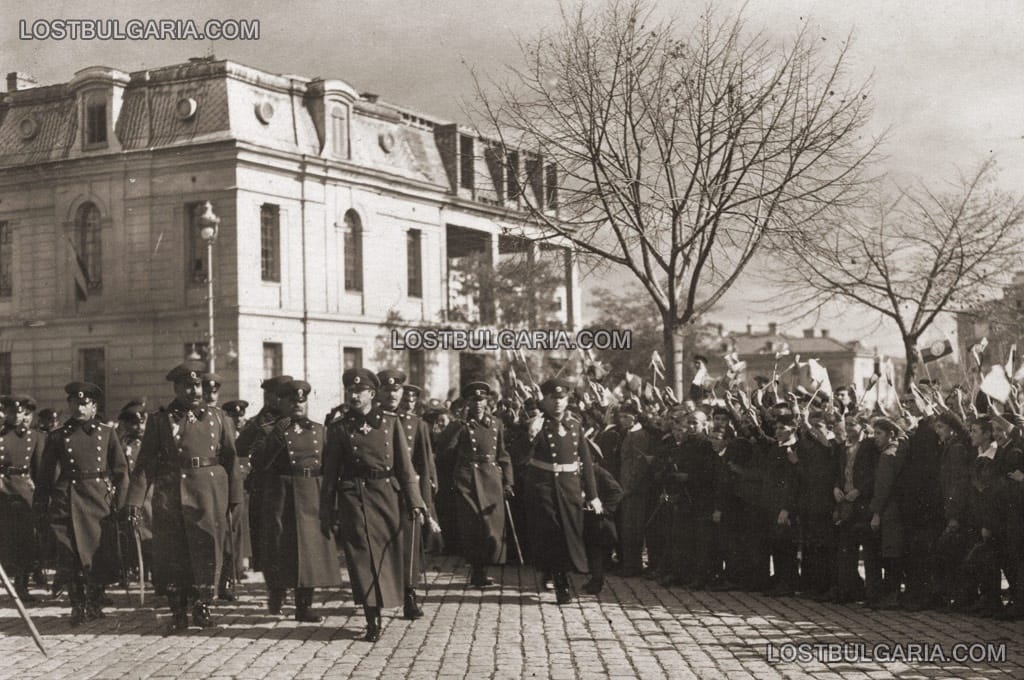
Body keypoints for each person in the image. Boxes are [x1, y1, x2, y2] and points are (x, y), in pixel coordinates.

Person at [126, 361, 242, 633]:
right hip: (172, 492)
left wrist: (234, 497)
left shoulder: (217, 418)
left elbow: (230, 459)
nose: (194, 391)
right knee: (173, 552)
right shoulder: (160, 419)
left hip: (209, 492)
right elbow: (145, 464)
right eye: (188, 386)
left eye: (198, 385)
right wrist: (134, 501)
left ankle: (202, 606)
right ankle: (178, 610)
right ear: (177, 388)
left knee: (206, 548)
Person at [320, 368, 426, 642]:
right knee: (361, 557)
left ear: (371, 393)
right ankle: (372, 616)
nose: (354, 396)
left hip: (386, 496)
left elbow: (405, 467)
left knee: (386, 557)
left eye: (360, 391)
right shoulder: (339, 427)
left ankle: (388, 601)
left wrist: (414, 500)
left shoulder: (390, 423)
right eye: (350, 391)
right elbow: (330, 474)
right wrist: (326, 510)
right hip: (353, 497)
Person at [34, 382, 129, 625]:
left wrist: (123, 502)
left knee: (98, 552)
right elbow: (45, 476)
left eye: (84, 403)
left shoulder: (107, 433)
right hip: (68, 497)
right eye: (74, 402)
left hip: (98, 498)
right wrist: (41, 505)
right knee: (70, 553)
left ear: (94, 406)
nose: (79, 407)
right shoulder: (58, 436)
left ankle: (95, 602)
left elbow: (120, 471)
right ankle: (77, 604)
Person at [250, 379, 340, 621]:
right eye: (292, 401)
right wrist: (276, 435)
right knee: (279, 546)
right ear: (282, 402)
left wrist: (331, 501)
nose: (298, 405)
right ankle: (277, 591)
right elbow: (259, 463)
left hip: (311, 492)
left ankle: (304, 605)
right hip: (281, 493)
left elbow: (330, 466)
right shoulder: (270, 430)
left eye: (302, 401)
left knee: (308, 550)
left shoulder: (320, 430)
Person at [523, 378, 600, 605]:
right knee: (553, 534)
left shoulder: (575, 424)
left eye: (562, 398)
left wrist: (593, 495)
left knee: (570, 533)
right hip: (543, 488)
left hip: (570, 488)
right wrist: (530, 434)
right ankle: (561, 584)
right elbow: (519, 457)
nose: (558, 403)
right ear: (544, 400)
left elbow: (585, 461)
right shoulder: (537, 425)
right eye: (552, 398)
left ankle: (551, 570)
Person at [440, 382, 514, 588]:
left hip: (490, 477)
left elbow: (503, 454)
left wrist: (508, 481)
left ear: (487, 401)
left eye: (482, 400)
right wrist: (457, 424)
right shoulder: (461, 425)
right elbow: (445, 448)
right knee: (473, 526)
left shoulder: (496, 423)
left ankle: (484, 564)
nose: (478, 404)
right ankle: (478, 571)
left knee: (492, 528)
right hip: (467, 478)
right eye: (474, 400)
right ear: (467, 403)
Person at [377, 368, 435, 619]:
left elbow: (422, 463)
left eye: (397, 389)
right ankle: (381, 593)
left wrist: (423, 499)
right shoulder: (373, 419)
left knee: (410, 543)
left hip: (405, 490)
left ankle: (410, 595)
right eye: (388, 389)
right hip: (378, 490)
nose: (393, 394)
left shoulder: (415, 424)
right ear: (378, 392)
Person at [236, 375, 293, 576]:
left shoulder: (296, 421)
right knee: (268, 534)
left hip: (291, 485)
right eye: (268, 396)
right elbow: (240, 447)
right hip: (264, 485)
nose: (270, 400)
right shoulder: (259, 422)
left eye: (274, 396)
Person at [0, 396, 46, 602]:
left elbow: (39, 469)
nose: (17, 416)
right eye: (12, 412)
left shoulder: (34, 437)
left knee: (26, 541)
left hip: (24, 493)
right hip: (2, 490)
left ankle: (22, 585)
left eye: (20, 412)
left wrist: (41, 496)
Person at [117, 401, 152, 586]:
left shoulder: (150, 444)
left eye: (142, 423)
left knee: (148, 533)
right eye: (134, 424)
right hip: (127, 494)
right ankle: (129, 569)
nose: (139, 427)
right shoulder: (121, 444)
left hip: (148, 495)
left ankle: (148, 570)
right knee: (128, 533)